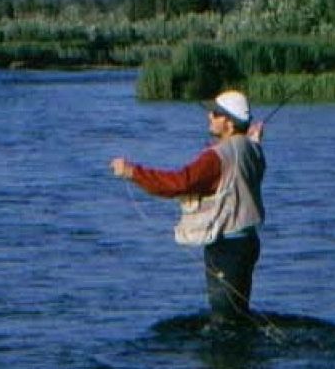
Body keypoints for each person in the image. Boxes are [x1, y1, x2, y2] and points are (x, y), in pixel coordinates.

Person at [110, 89, 266, 326]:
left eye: (216, 114)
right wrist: (250, 136)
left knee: (225, 321)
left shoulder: (215, 157)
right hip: (248, 243)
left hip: (225, 248)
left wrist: (132, 172)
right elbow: (244, 151)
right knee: (239, 314)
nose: (209, 117)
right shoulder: (253, 148)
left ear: (230, 124)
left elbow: (178, 183)